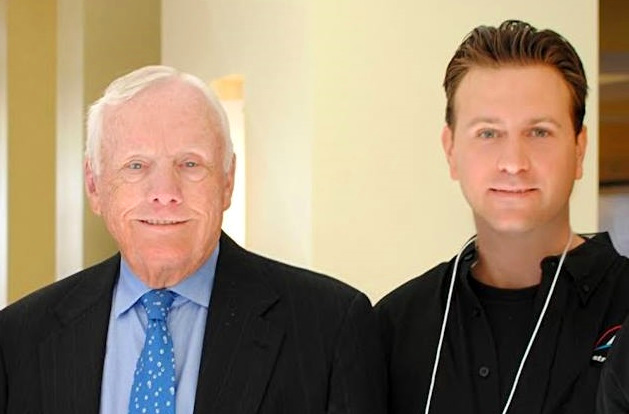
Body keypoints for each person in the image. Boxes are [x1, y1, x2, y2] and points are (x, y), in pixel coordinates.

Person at [0, 65, 386, 414]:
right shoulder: (18, 339)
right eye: (136, 165)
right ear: (94, 186)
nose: (165, 192)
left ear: (227, 181)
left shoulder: (329, 328)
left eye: (190, 164)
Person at [375, 20, 629, 414]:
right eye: (488, 133)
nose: (513, 162)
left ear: (579, 149)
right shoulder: (393, 327)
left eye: (539, 132)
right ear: (450, 149)